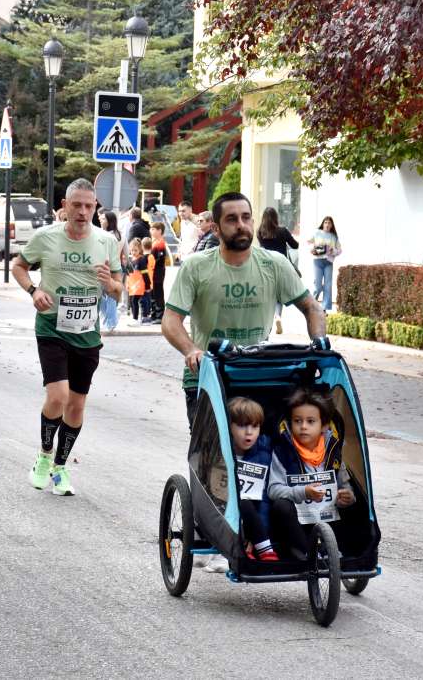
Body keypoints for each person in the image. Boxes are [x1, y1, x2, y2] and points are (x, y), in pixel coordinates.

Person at [162, 192, 326, 428]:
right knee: (213, 459)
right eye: (231, 219)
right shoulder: (196, 267)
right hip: (208, 375)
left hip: (258, 375)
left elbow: (312, 307)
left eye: (246, 218)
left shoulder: (275, 264)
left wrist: (319, 343)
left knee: (260, 456)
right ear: (216, 229)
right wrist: (191, 351)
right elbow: (171, 319)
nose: (241, 225)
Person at [12, 179, 124, 497]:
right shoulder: (46, 237)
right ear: (65, 205)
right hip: (51, 327)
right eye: (77, 205)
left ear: (95, 207)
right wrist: (34, 291)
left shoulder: (105, 241)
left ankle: (61, 466)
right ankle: (44, 456)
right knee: (58, 397)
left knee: (76, 406)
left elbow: (118, 291)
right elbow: (18, 266)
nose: (83, 212)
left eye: (89, 206)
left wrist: (110, 285)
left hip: (87, 334)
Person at [266, 387, 370, 561]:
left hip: (328, 516)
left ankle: (349, 549)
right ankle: (307, 552)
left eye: (310, 421)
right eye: (297, 421)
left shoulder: (332, 448)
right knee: (280, 506)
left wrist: (347, 496)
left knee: (356, 501)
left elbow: (343, 483)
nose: (303, 426)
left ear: (324, 425)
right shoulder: (282, 451)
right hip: (297, 521)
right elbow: (273, 490)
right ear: (290, 423)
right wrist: (303, 492)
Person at [204, 396, 280, 573]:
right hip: (222, 514)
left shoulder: (263, 455)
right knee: (237, 499)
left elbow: (264, 500)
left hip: (253, 519)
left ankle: (261, 546)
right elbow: (212, 497)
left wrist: (256, 535)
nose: (249, 432)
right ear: (229, 427)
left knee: (247, 501)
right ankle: (226, 551)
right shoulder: (217, 454)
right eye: (242, 426)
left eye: (254, 426)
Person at [257, 206, 300, 334]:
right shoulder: (282, 231)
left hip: (265, 266)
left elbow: (262, 248)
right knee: (279, 294)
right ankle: (278, 316)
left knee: (269, 293)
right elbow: (295, 245)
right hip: (281, 266)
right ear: (276, 217)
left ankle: (268, 321)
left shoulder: (260, 231)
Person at [308, 216, 341, 312]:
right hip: (317, 262)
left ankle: (324, 308)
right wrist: (311, 249)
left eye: (329, 223)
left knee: (328, 285)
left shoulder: (334, 237)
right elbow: (308, 243)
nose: (327, 225)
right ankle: (312, 305)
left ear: (331, 225)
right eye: (326, 222)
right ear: (323, 223)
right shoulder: (316, 233)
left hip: (328, 263)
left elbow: (339, 250)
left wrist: (333, 250)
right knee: (317, 286)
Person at [98, 210, 122, 334]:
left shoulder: (105, 236)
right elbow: (126, 253)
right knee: (109, 296)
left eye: (103, 219)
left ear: (109, 221)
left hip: (107, 267)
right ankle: (109, 320)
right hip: (117, 268)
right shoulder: (120, 234)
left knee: (106, 296)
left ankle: (110, 321)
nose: (100, 220)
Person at [148, 222, 169, 322]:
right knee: (153, 292)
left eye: (153, 229)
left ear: (159, 230)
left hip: (158, 271)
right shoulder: (154, 242)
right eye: (151, 229)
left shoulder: (160, 243)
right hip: (153, 271)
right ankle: (154, 314)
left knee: (158, 293)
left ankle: (159, 315)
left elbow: (159, 259)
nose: (151, 231)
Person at [125, 239, 148, 324]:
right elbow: (128, 274)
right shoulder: (130, 261)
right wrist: (127, 284)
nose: (133, 252)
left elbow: (145, 274)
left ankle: (136, 319)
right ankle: (134, 317)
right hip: (132, 285)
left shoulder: (141, 260)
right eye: (132, 250)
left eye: (135, 250)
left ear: (140, 250)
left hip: (139, 285)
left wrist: (148, 285)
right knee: (132, 301)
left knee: (135, 301)